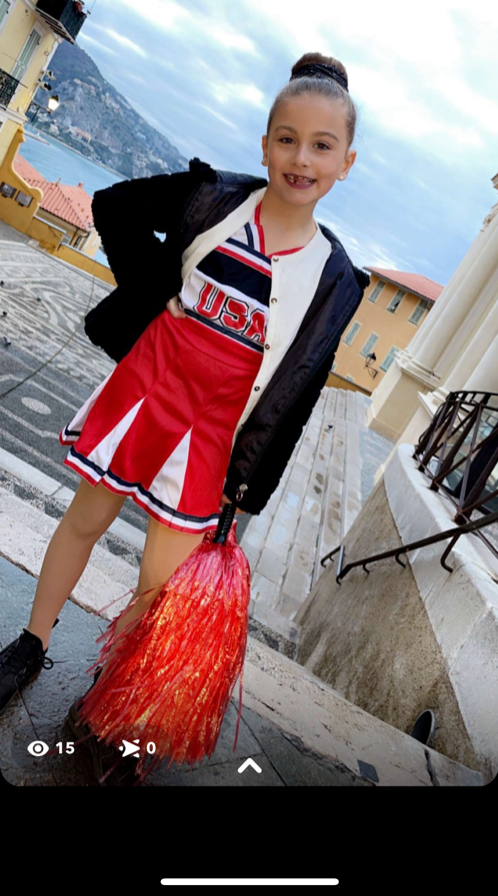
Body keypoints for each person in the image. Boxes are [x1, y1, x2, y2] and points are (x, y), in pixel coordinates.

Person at [0, 51, 369, 785]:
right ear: (265, 145)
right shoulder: (215, 199)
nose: (301, 158)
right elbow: (115, 206)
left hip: (213, 436)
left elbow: (297, 391)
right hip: (148, 388)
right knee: (83, 521)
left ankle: (109, 700)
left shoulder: (335, 276)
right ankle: (30, 644)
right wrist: (154, 299)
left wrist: (247, 487)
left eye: (322, 145)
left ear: (345, 163)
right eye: (287, 139)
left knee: (157, 587)